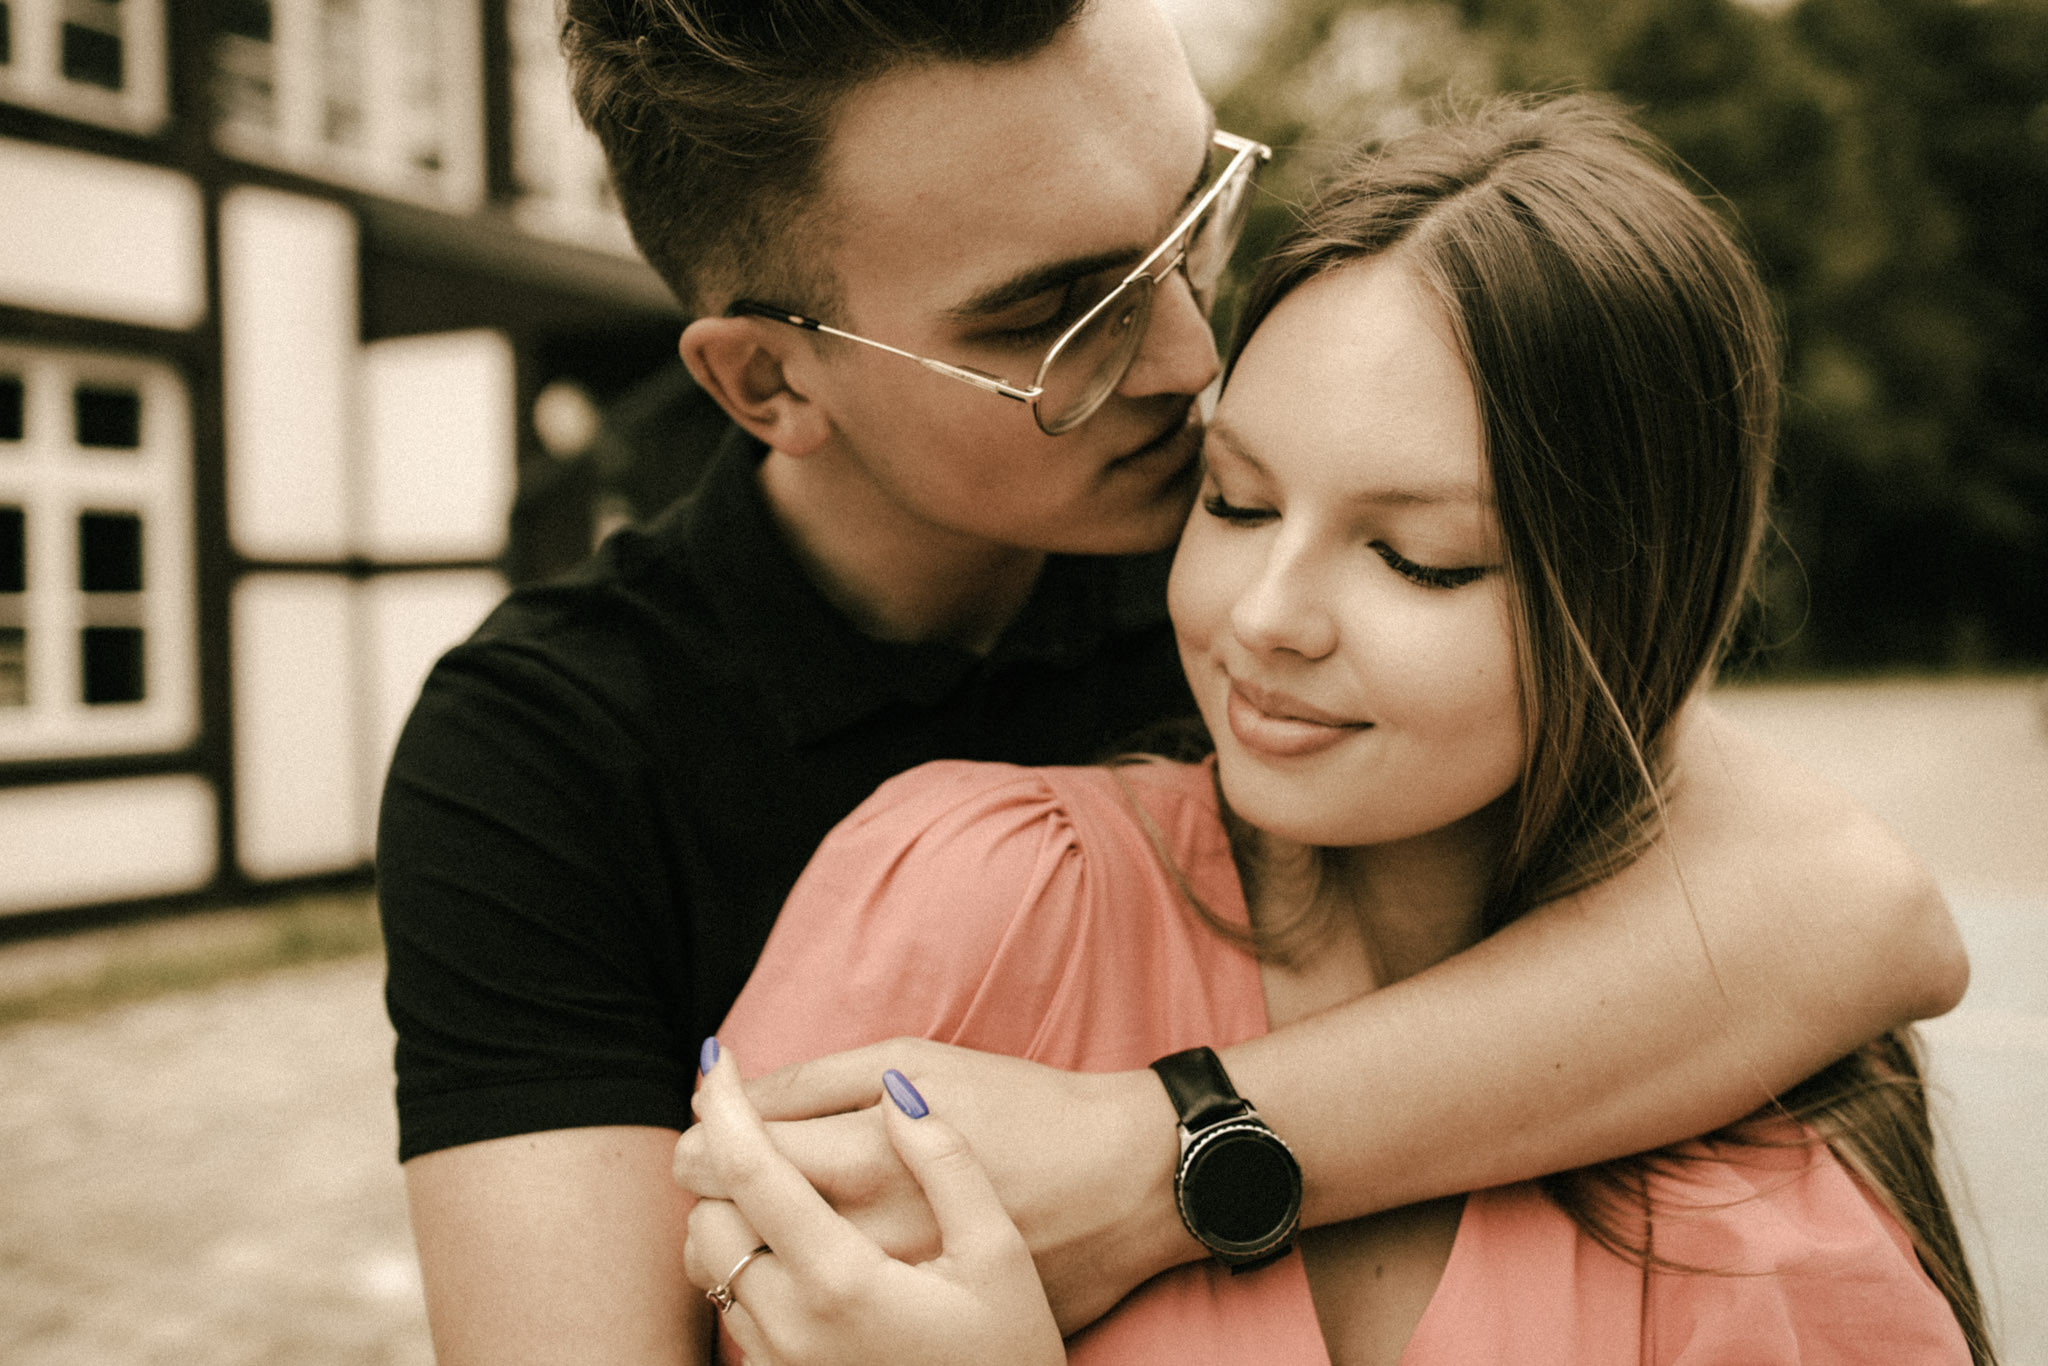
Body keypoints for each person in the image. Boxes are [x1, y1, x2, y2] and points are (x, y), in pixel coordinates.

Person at [377, 3, 1966, 1362]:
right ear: (771, 380)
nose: (1191, 354)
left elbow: (1853, 910)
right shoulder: (545, 753)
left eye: (1197, 209)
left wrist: (1159, 1155)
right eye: (1056, 312)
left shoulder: (1264, 536)